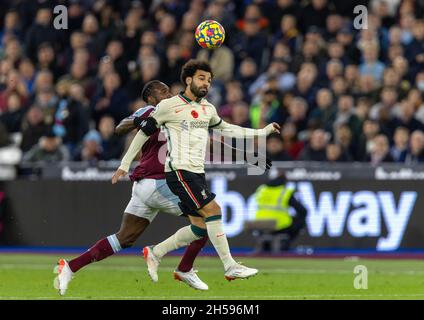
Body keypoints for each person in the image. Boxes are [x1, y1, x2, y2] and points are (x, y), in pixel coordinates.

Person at [115, 59, 280, 282]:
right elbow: (143, 133)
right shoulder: (169, 106)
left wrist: (262, 132)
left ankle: (156, 252)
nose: (206, 84)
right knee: (213, 211)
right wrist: (124, 165)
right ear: (188, 80)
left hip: (197, 173)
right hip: (178, 172)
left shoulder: (207, 109)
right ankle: (229, 266)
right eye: (202, 78)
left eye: (210, 80)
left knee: (200, 226)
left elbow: (228, 129)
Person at [54, 81, 210, 295]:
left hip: (145, 186)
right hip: (158, 181)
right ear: (150, 98)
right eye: (162, 91)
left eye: (168, 89)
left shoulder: (176, 111)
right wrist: (141, 119)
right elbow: (119, 128)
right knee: (206, 218)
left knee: (124, 238)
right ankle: (184, 268)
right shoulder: (149, 110)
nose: (168, 92)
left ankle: (70, 267)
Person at [254, 171, 308, 252]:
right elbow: (303, 211)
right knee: (300, 221)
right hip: (279, 225)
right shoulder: (284, 192)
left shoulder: (261, 189)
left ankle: (266, 246)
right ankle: (285, 242)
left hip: (261, 223)